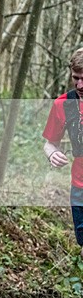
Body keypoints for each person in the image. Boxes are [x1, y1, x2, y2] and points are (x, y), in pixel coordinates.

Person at [42, 47, 83, 258]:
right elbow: (49, 144)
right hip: (79, 187)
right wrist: (52, 154)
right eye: (76, 78)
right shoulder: (63, 104)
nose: (80, 85)